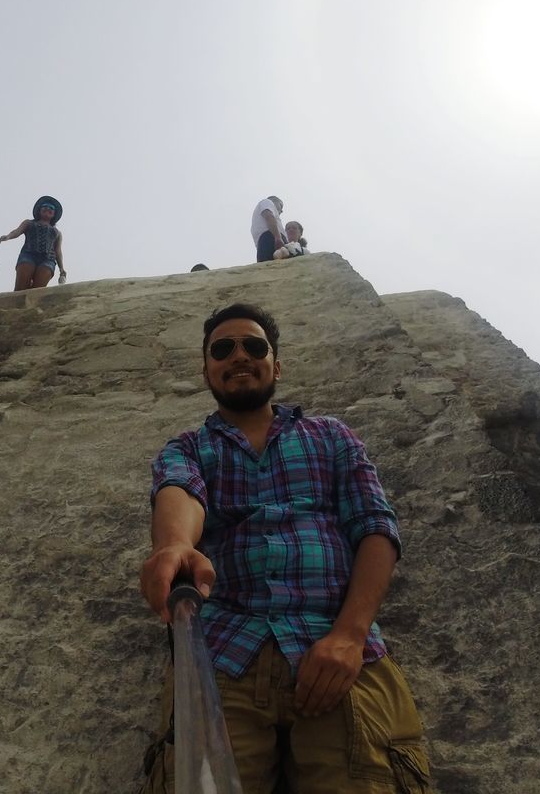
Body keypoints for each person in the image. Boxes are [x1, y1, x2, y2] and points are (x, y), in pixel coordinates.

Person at [139, 303, 431, 792]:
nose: (239, 356)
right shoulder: (188, 448)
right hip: (223, 656)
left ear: (276, 364)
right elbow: (179, 491)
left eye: (254, 346)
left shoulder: (332, 437)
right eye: (222, 348)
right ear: (206, 367)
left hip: (336, 652)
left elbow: (376, 528)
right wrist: (173, 546)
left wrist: (350, 637)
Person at [0, 196, 65, 290]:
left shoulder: (57, 232)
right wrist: (8, 236)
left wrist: (61, 269)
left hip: (48, 259)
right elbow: (17, 231)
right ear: (39, 210)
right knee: (21, 287)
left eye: (51, 208)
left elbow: (58, 251)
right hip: (28, 255)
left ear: (54, 214)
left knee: (37, 290)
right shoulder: (29, 223)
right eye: (45, 206)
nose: (48, 209)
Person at [250, 195, 285, 262]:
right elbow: (268, 215)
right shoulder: (267, 202)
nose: (282, 210)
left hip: (264, 243)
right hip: (272, 238)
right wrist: (278, 237)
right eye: (281, 206)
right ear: (274, 201)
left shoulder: (256, 221)